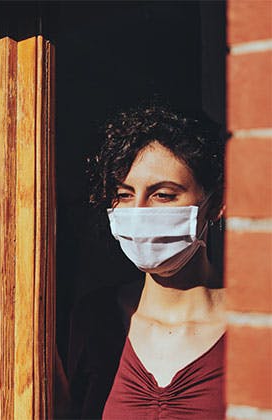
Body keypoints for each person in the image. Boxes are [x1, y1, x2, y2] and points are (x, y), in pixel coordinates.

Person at [66, 102, 226, 419]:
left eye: (162, 195)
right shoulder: (95, 320)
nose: (139, 212)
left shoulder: (256, 324)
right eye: (124, 195)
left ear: (215, 203)